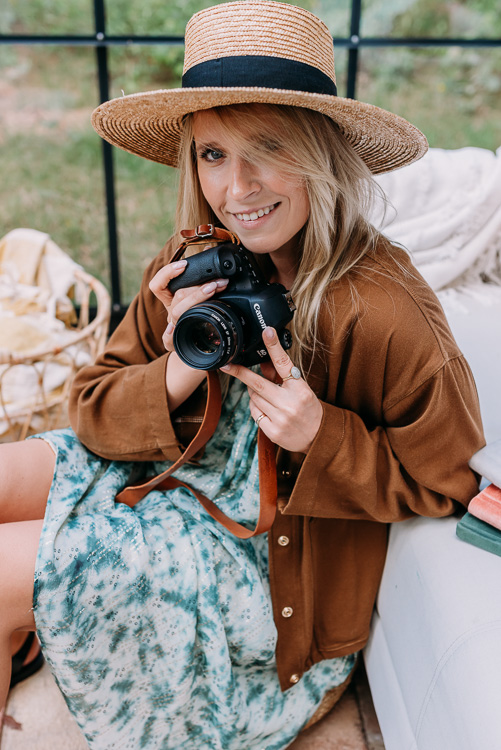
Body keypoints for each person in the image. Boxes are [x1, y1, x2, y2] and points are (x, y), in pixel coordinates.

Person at [1, 1, 485, 748]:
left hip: (268, 576)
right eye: (213, 154)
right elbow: (91, 406)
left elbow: (448, 480)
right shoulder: (199, 260)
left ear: (320, 153)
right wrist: (175, 371)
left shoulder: (384, 309)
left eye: (269, 147)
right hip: (171, 478)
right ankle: (25, 636)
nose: (238, 188)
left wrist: (322, 436)